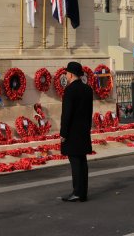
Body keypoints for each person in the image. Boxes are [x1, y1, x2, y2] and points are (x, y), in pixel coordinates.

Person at [59, 61, 93, 202]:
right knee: (82, 162)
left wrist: (63, 133)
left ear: (71, 74)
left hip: (72, 132)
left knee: (75, 163)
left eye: (67, 73)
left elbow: (66, 114)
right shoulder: (87, 89)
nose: (66, 75)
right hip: (84, 130)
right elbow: (89, 111)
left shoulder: (70, 90)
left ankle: (77, 192)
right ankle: (82, 192)